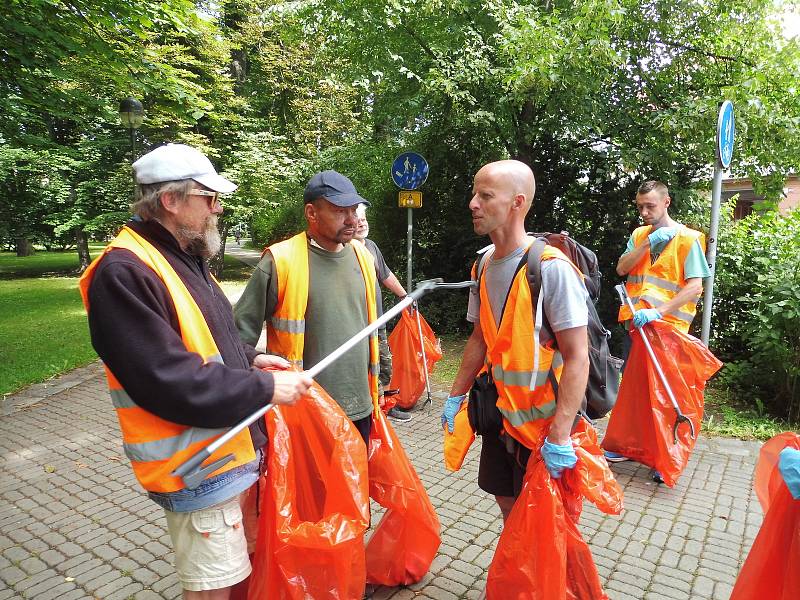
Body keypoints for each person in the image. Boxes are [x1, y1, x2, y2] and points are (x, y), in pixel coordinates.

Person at [79, 143, 313, 599]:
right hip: (196, 466)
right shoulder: (124, 270)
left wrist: (250, 360)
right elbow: (168, 379)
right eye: (208, 198)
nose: (218, 208)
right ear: (170, 200)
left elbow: (208, 341)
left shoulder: (181, 255)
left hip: (227, 454)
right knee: (212, 588)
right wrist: (264, 386)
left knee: (238, 573)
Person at [442, 159, 590, 523]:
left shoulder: (551, 269)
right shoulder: (483, 266)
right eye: (474, 193)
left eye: (485, 195)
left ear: (517, 203)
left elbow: (578, 357)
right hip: (500, 415)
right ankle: (520, 577)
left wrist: (559, 435)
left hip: (543, 427)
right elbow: (480, 336)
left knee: (548, 517)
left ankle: (553, 581)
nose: (472, 204)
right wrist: (455, 394)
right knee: (508, 505)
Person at [234, 170, 381, 447]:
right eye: (340, 211)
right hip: (304, 411)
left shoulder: (363, 256)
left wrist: (380, 385)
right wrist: (249, 390)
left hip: (362, 407)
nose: (352, 220)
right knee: (309, 491)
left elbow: (373, 325)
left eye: (354, 210)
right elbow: (238, 336)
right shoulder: (280, 261)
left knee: (353, 490)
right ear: (312, 213)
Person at [603, 180, 711, 479]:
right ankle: (627, 447)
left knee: (666, 394)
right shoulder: (640, 234)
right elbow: (622, 268)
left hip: (668, 330)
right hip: (638, 328)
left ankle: (666, 458)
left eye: (650, 205)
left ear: (667, 202)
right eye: (640, 207)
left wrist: (658, 311)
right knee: (636, 392)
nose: (644, 212)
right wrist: (649, 242)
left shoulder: (689, 239)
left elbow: (695, 287)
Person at [354, 203, 412, 423]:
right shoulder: (345, 251)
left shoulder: (371, 246)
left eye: (364, 217)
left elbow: (385, 274)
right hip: (358, 324)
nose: (362, 222)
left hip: (378, 322)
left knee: (384, 363)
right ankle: (368, 410)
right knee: (363, 367)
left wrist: (405, 297)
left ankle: (386, 407)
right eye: (357, 218)